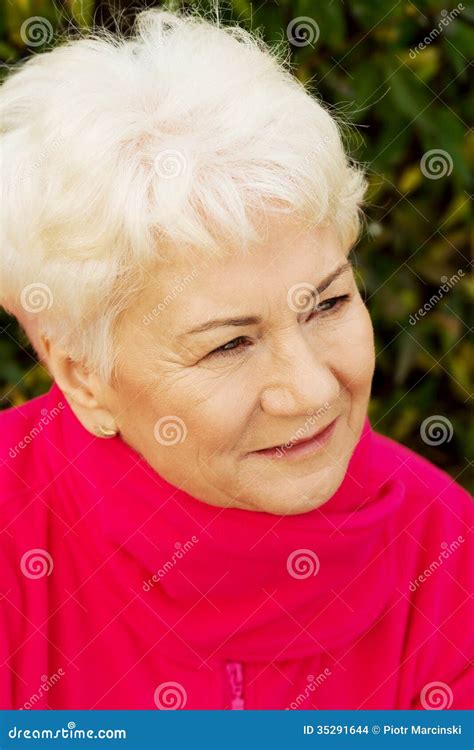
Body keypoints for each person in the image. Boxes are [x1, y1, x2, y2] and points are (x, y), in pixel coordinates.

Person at [0, 6, 472, 710]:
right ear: (83, 378)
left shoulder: (448, 555)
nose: (310, 391)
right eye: (229, 343)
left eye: (329, 304)